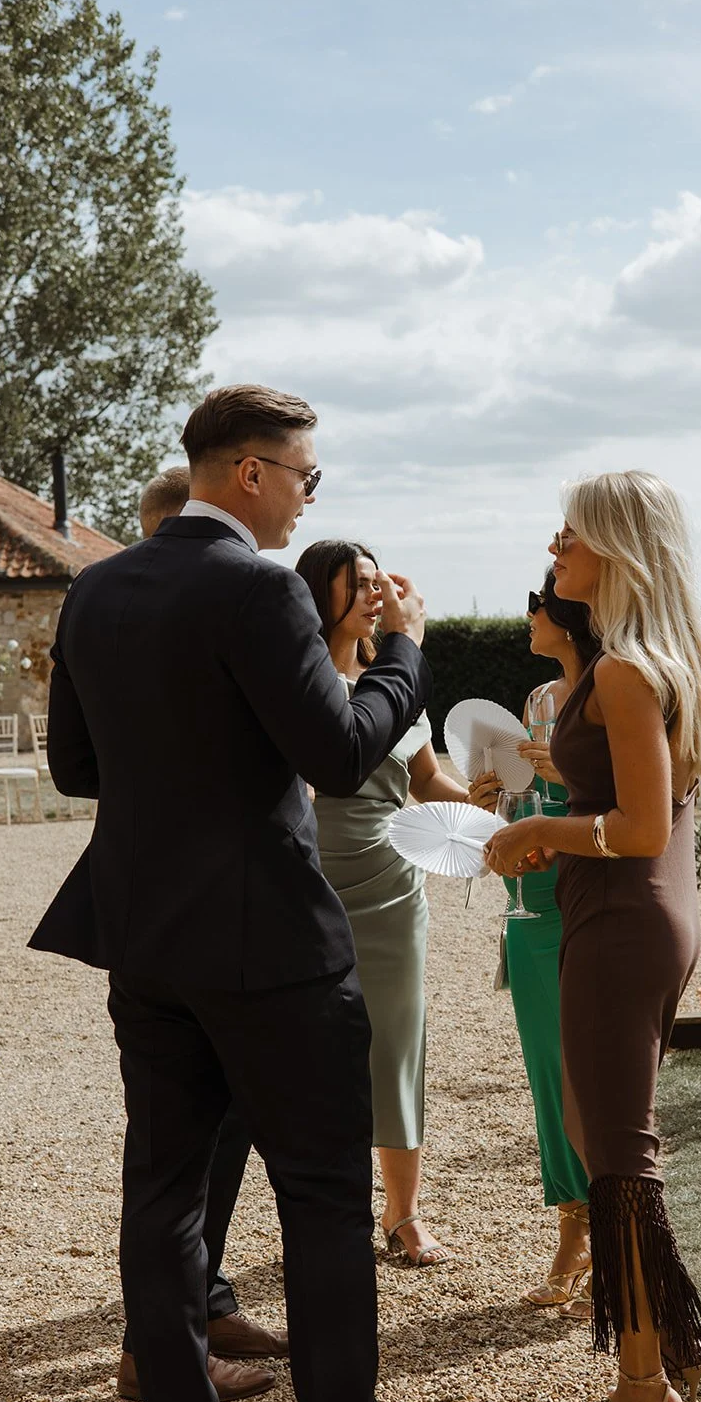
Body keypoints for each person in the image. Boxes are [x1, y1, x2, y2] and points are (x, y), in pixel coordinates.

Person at [29, 385, 450, 1402]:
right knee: (319, 1198)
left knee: (161, 1193)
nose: (310, 498)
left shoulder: (97, 587)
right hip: (270, 946)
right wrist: (402, 653)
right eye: (308, 479)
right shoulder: (258, 588)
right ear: (252, 473)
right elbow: (338, 747)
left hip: (147, 940)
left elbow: (76, 767)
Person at [483, 470, 701, 1402]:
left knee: (617, 1150)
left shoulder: (625, 671)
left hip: (622, 921)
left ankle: (642, 1382)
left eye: (570, 536)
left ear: (618, 552)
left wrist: (533, 836)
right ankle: (673, 1339)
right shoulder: (645, 662)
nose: (554, 546)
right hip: (640, 916)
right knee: (597, 1133)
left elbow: (632, 826)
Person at [113, 463, 285, 1402]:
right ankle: (161, 1345)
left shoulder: (110, 606)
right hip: (222, 919)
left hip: (154, 911)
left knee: (209, 1134)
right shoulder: (231, 601)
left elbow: (75, 765)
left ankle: (201, 1305)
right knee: (191, 1144)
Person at [296, 538, 476, 1268]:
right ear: (319, 594)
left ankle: (404, 1215)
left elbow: (428, 781)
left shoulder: (396, 683)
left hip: (396, 890)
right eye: (356, 582)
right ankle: (326, 1216)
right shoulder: (295, 680)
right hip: (310, 885)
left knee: (398, 1048)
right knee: (312, 1058)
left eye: (379, 581)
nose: (375, 593)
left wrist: (493, 807)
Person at [471, 569, 597, 1318]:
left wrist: (570, 773)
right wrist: (492, 797)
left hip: (590, 899)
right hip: (531, 905)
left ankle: (612, 1238)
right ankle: (572, 1231)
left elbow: (635, 807)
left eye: (536, 607)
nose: (526, 617)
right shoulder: (538, 702)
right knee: (548, 1080)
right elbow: (528, 804)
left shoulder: (614, 692)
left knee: (594, 1080)